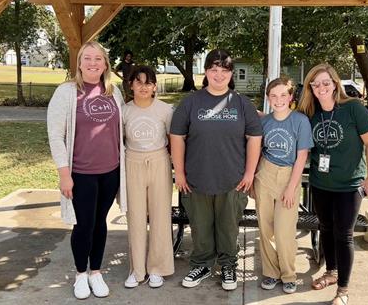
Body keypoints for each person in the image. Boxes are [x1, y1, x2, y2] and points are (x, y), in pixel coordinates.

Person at [170, 49, 262, 291]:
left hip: (233, 180)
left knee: (228, 227)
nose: (218, 75)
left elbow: (254, 138)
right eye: (213, 69)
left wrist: (250, 173)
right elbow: (177, 137)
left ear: (231, 73)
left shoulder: (242, 104)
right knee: (200, 226)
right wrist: (179, 172)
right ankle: (201, 264)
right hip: (196, 179)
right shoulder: (190, 102)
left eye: (224, 70)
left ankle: (228, 265)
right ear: (206, 72)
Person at [47, 41, 127, 300]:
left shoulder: (113, 92)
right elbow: (56, 135)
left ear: (105, 64)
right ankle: (81, 274)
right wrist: (64, 174)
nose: (93, 63)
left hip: (110, 171)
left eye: (98, 59)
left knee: (100, 222)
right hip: (80, 173)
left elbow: (123, 129)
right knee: (83, 224)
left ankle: (96, 272)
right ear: (79, 63)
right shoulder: (66, 92)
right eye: (88, 58)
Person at [297, 63, 368, 305]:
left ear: (335, 83)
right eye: (315, 84)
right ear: (310, 87)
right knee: (325, 227)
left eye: (325, 82)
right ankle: (331, 272)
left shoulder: (353, 109)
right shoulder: (310, 113)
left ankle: (343, 290)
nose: (321, 87)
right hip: (321, 182)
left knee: (344, 234)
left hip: (349, 184)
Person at [254, 77, 314, 294]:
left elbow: (301, 157)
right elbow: (256, 150)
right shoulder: (264, 122)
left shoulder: (299, 121)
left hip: (289, 177)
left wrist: (291, 188)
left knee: (284, 230)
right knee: (266, 229)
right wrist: (253, 179)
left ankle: (289, 274)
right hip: (265, 175)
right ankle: (270, 272)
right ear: (268, 99)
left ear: (290, 97)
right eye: (273, 95)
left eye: (283, 95)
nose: (278, 100)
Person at [122, 65, 174, 289]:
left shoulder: (165, 110)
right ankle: (137, 269)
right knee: (135, 217)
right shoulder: (124, 111)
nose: (144, 87)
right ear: (131, 84)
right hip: (132, 162)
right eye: (139, 82)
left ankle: (157, 268)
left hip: (159, 161)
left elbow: (174, 140)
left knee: (161, 216)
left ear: (155, 86)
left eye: (149, 83)